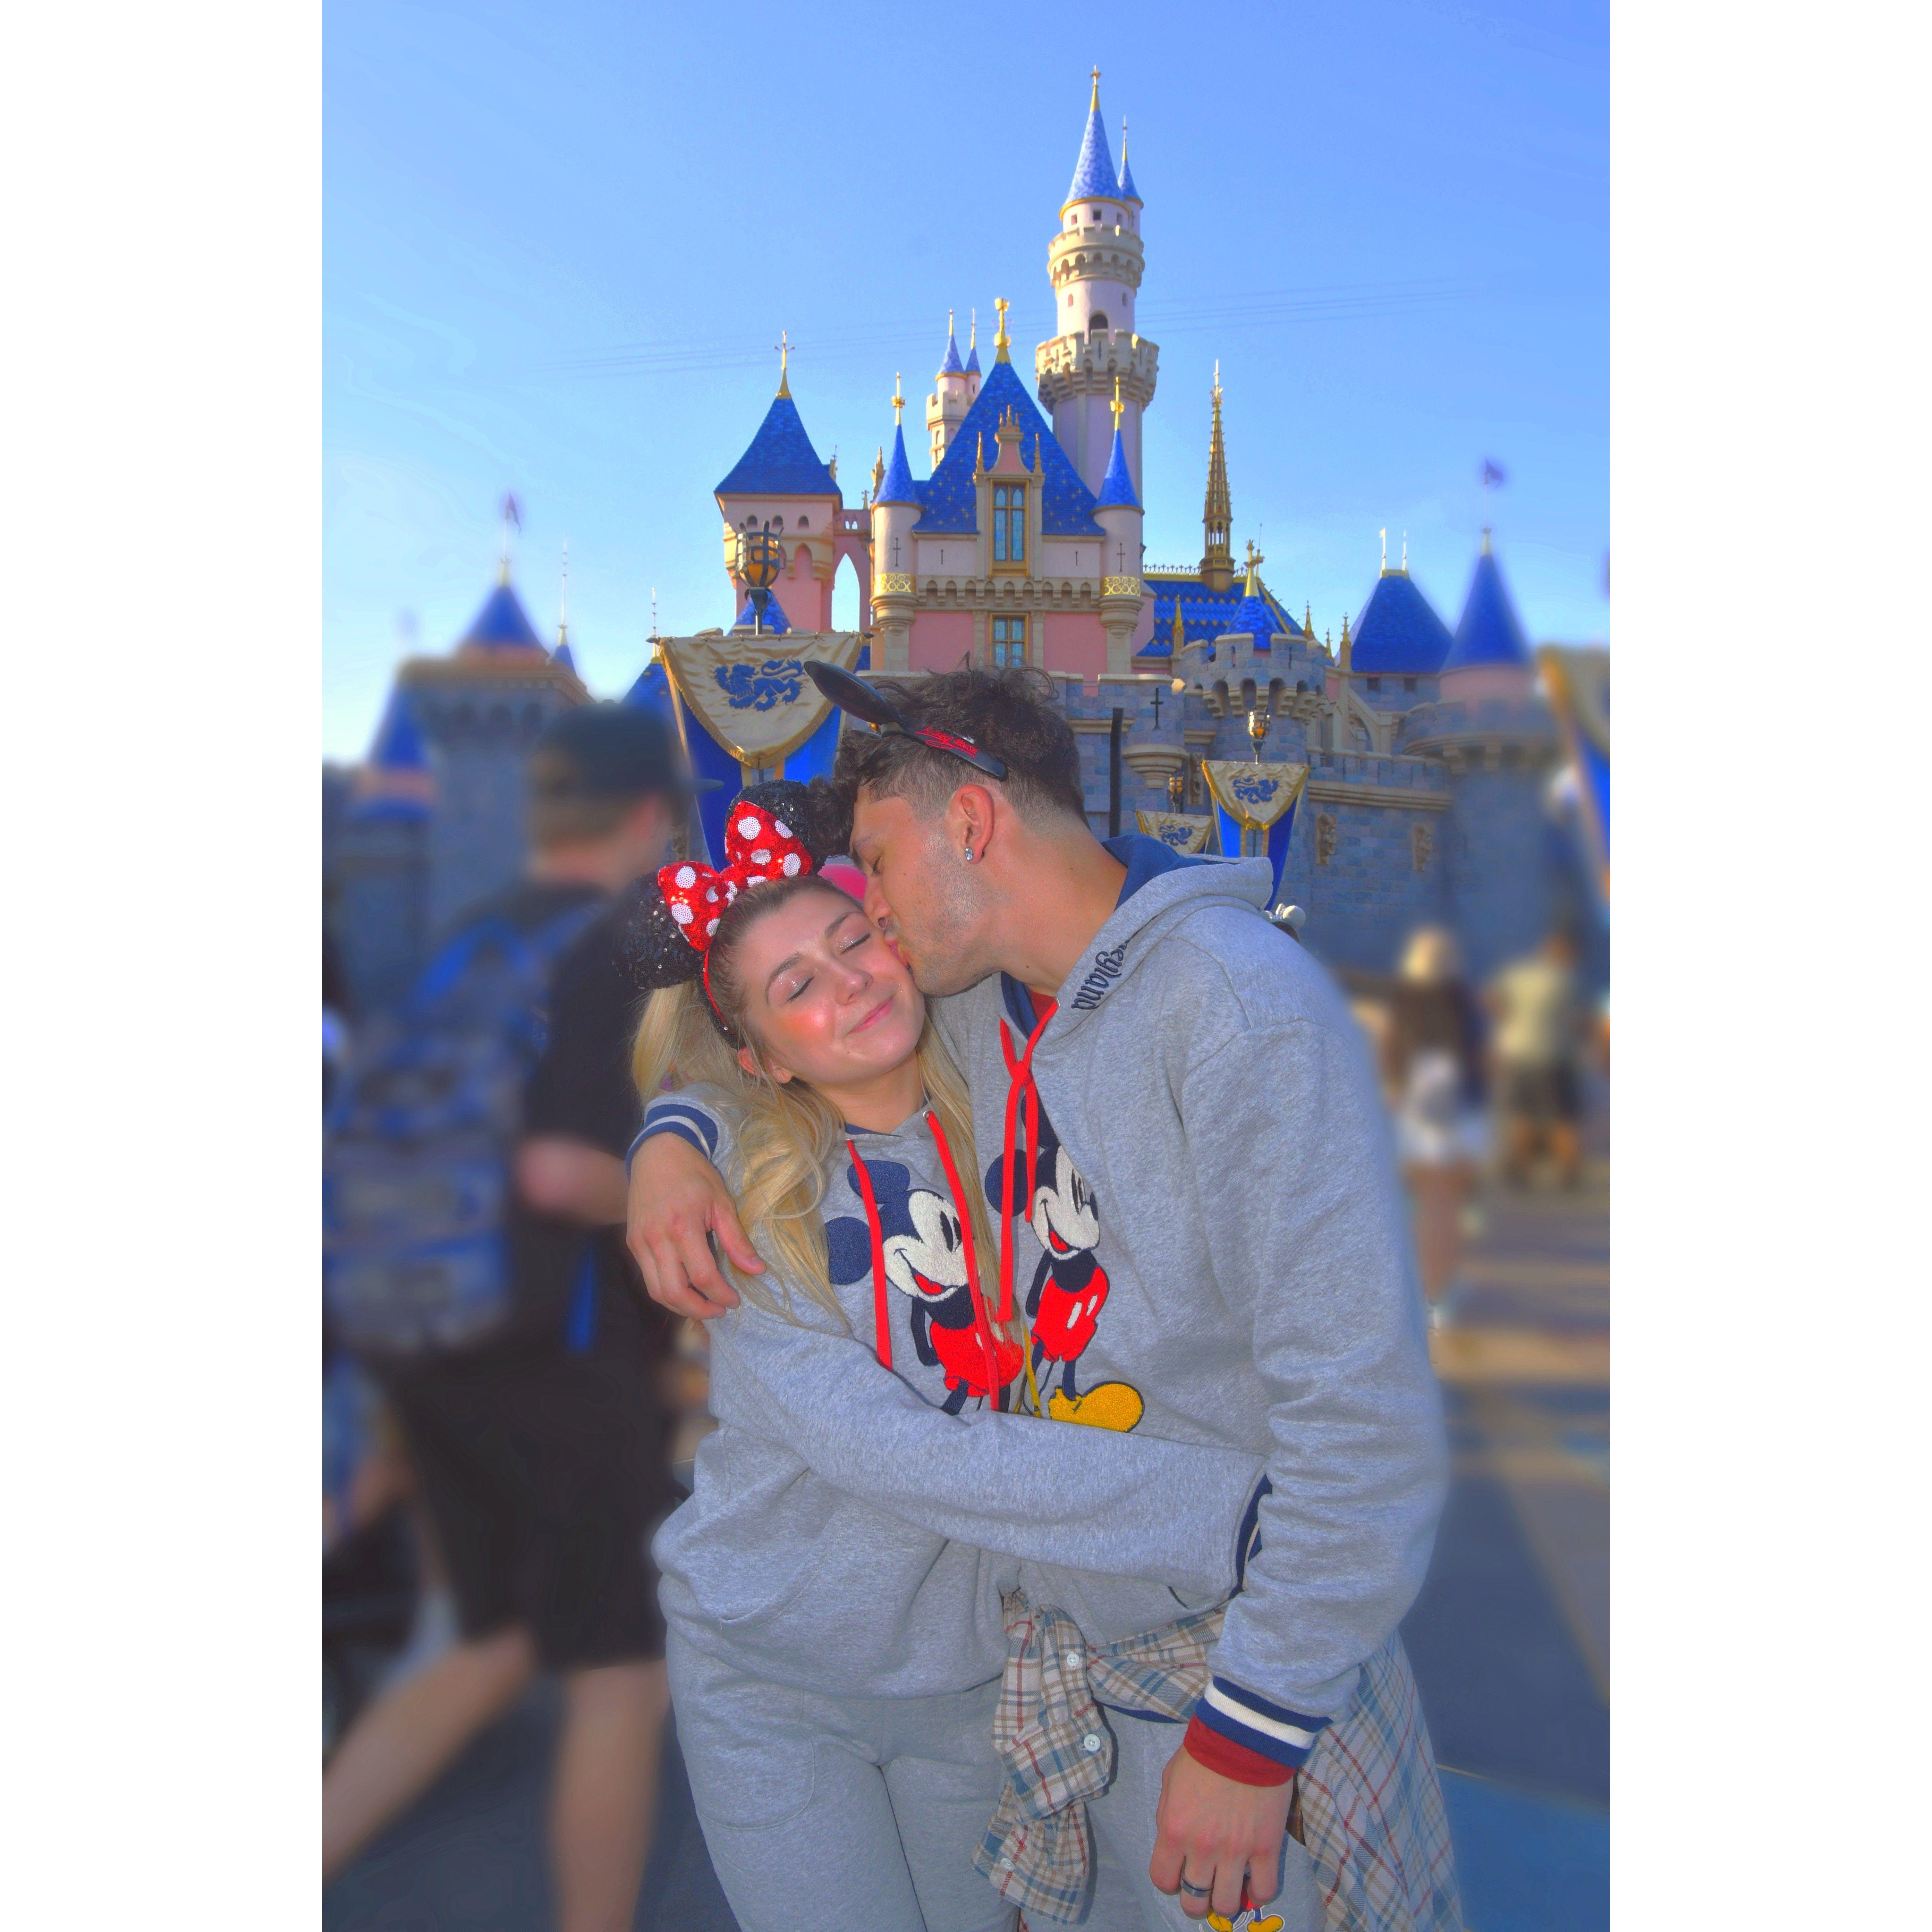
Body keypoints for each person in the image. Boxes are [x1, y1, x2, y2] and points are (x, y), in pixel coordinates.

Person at [629, 667, 1460, 1932]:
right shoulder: (976, 1010)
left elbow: (1365, 1420)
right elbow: (760, 1055)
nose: (872, 923)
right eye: (853, 895)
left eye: (872, 874)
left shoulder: (1227, 1012)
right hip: (1023, 1660)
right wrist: (675, 1133)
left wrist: (1254, 1723)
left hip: (1212, 1654)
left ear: (969, 822)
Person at [323, 704, 697, 1932]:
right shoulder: (612, 945)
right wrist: (689, 1177)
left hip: (431, 1345)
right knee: (619, 1675)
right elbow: (562, 1171)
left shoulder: (468, 942)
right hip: (555, 1361)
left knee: (483, 1646)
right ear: (646, 816)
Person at [1382, 928, 1488, 1325]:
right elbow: (1481, 1057)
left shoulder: (1403, 1002)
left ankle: (1421, 1291)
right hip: (1460, 1110)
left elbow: (1390, 1056)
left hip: (1415, 1112)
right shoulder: (1463, 1001)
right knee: (1448, 1210)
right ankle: (1440, 1294)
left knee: (1420, 1208)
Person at [1486, 928, 1586, 1189]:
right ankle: (1569, 1172)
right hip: (1553, 1056)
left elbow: (1492, 999)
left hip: (1517, 1054)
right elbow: (1577, 1022)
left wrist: (1510, 1022)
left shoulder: (1519, 974)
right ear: (1567, 955)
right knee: (1561, 1118)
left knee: (1522, 1114)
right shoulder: (1565, 981)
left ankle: (1520, 1171)